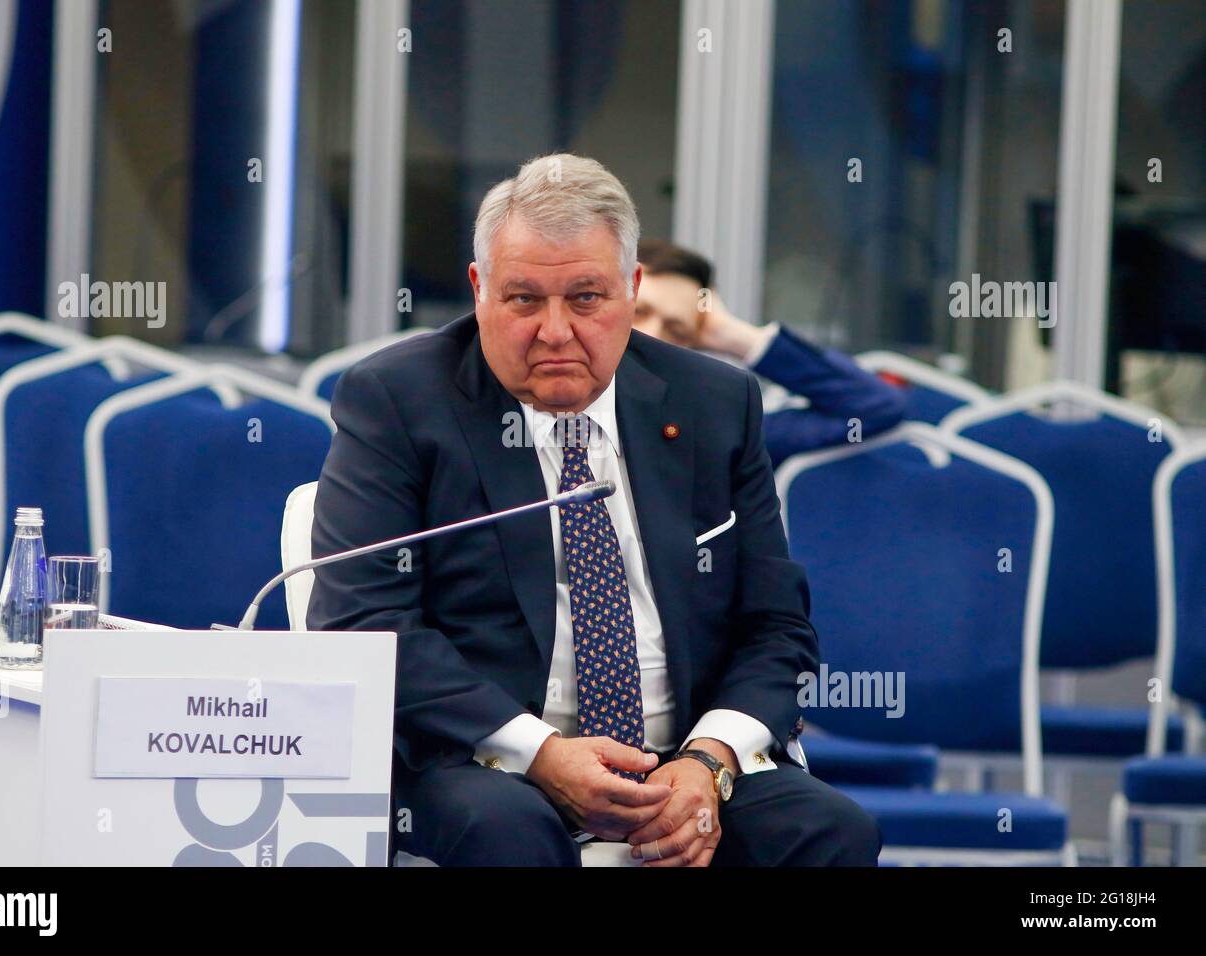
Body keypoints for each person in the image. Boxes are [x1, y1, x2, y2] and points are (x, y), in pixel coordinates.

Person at [308, 153, 880, 867]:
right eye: (523, 300)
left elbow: (776, 626)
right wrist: (541, 753)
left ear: (632, 290)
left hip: (680, 760)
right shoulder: (398, 400)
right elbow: (363, 621)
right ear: (480, 290)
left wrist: (708, 762)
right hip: (486, 762)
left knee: (831, 833)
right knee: (506, 832)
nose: (554, 331)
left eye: (586, 298)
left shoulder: (713, 403)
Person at [634, 239, 906, 467]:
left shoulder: (713, 434)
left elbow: (876, 407)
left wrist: (731, 334)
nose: (651, 336)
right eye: (638, 311)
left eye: (676, 331)